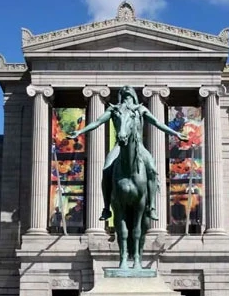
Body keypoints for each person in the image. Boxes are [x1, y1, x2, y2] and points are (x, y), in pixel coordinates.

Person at [68, 86, 187, 221]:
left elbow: (157, 122)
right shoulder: (114, 109)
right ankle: (106, 208)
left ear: (134, 97)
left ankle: (152, 206)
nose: (127, 99)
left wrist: (176, 133)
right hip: (119, 146)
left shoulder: (141, 109)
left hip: (139, 146)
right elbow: (97, 122)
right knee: (106, 170)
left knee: (152, 170)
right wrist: (79, 132)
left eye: (129, 96)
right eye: (124, 96)